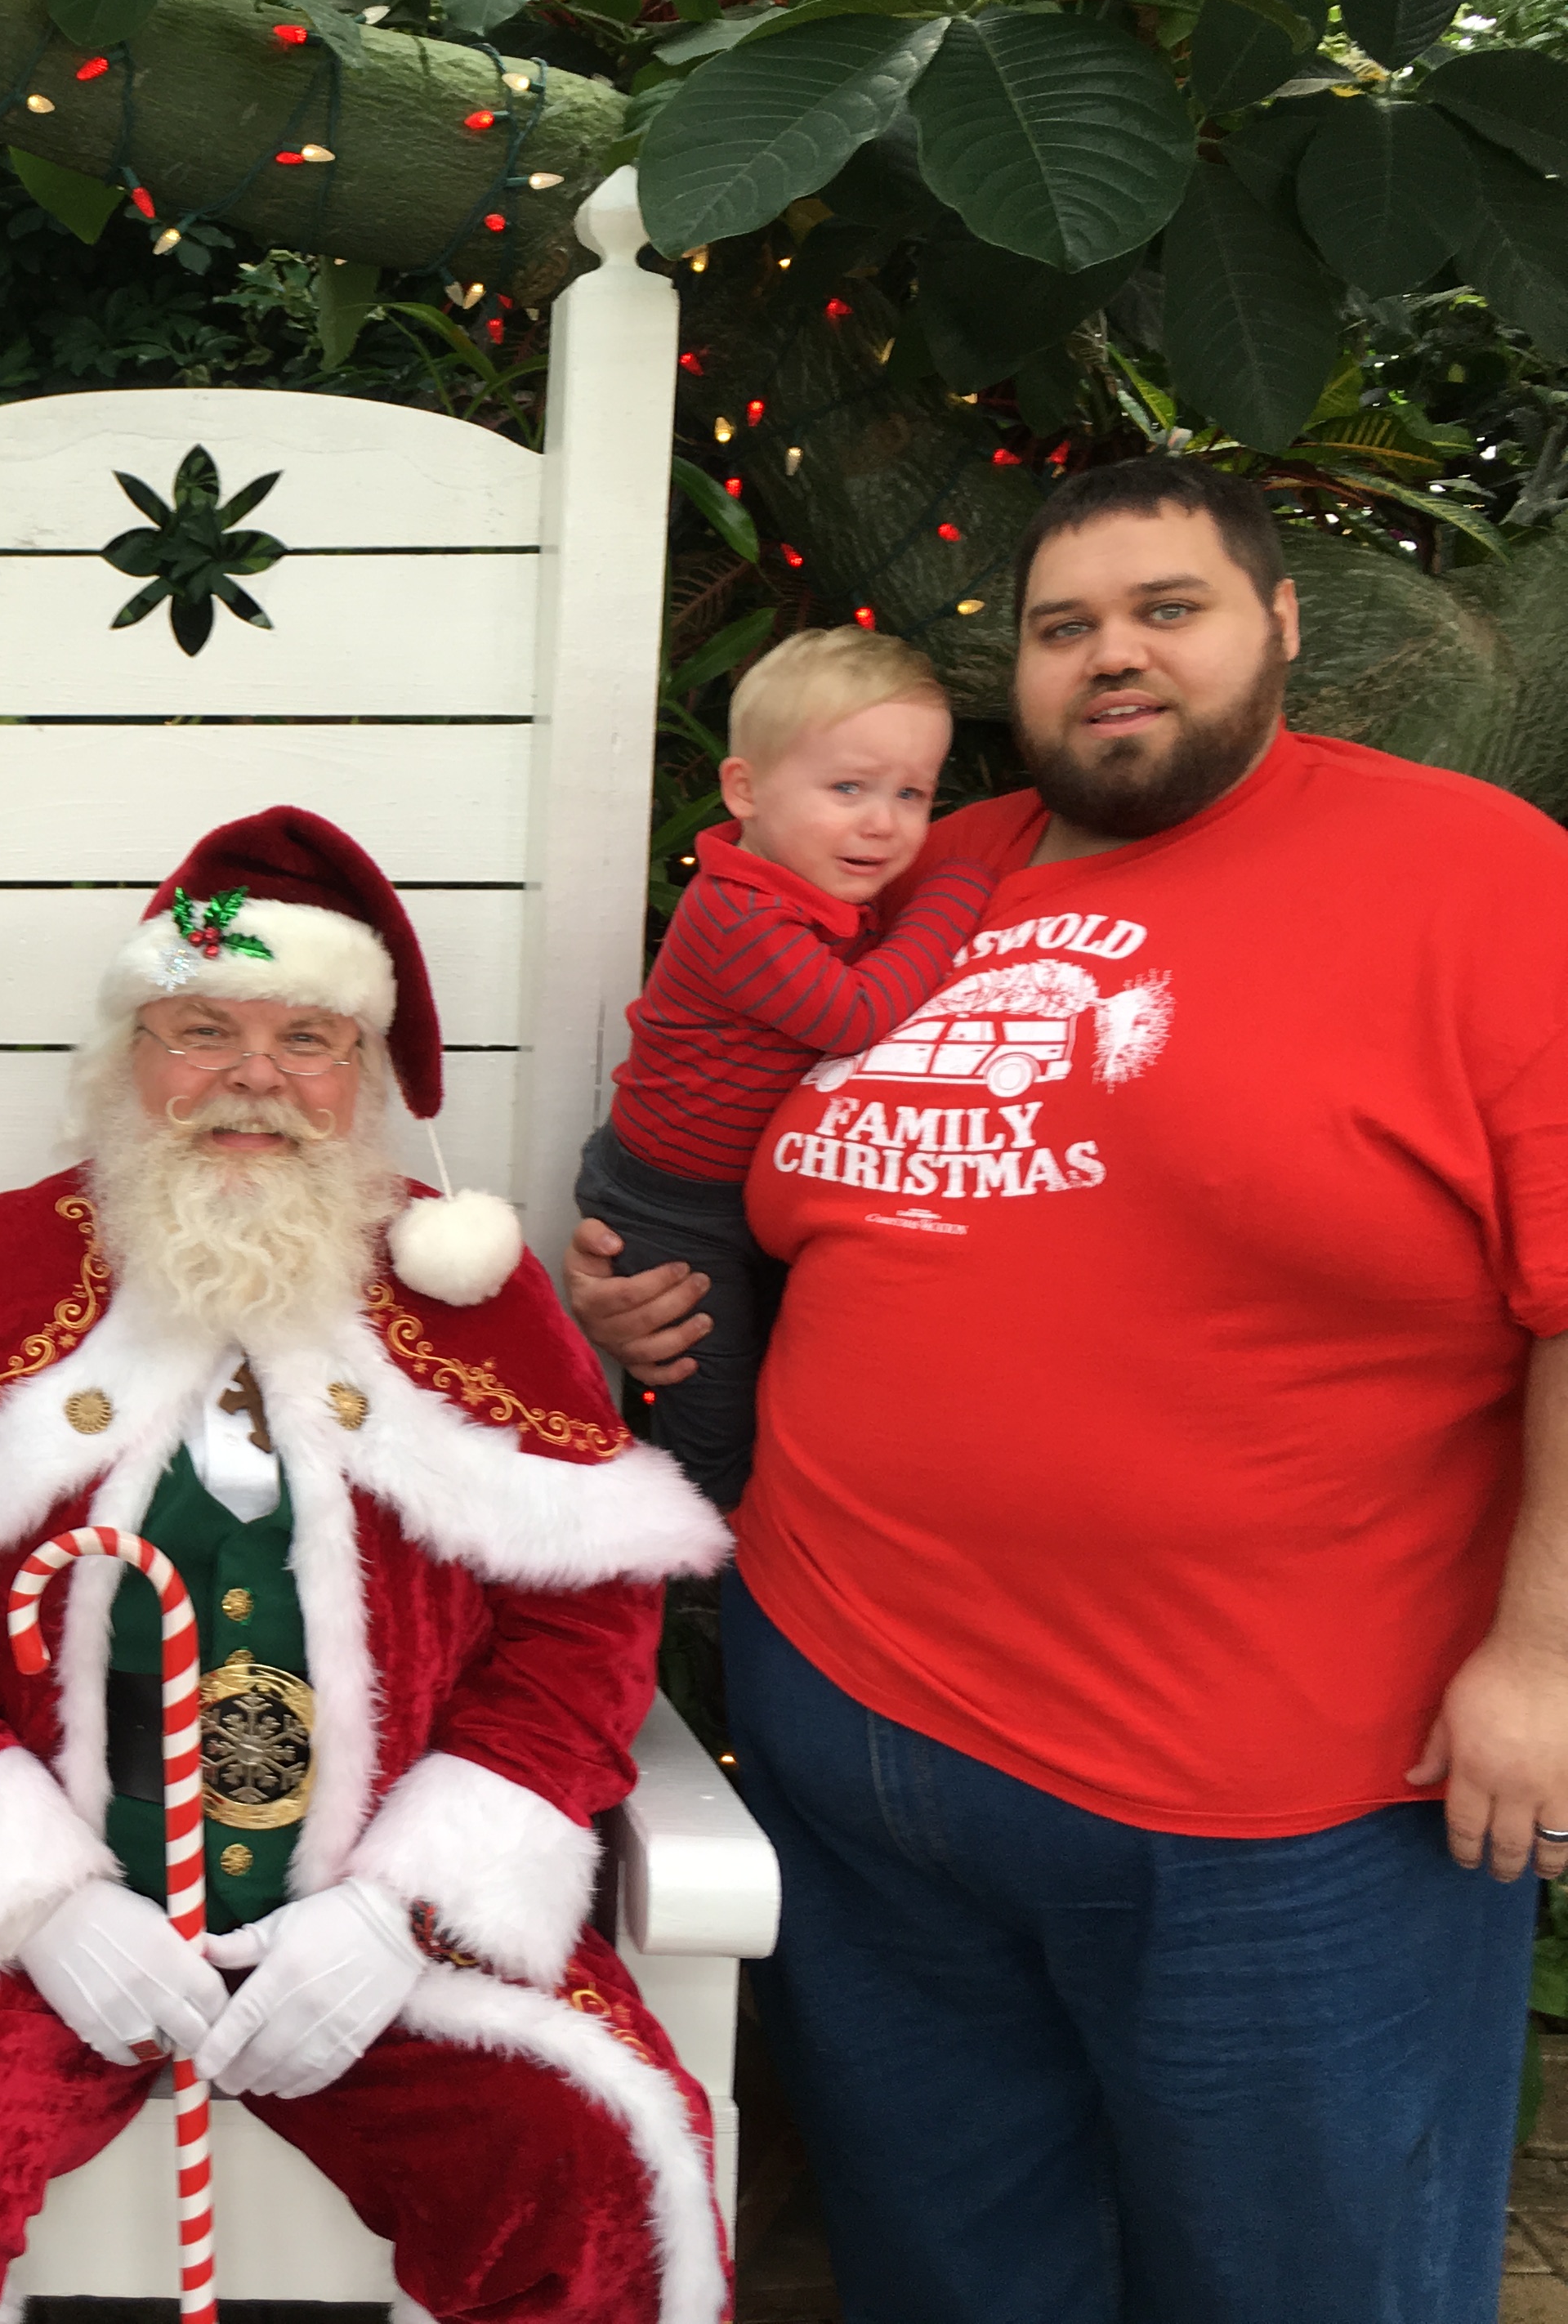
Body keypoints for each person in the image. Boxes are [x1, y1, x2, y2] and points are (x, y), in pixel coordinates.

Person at [569, 457, 1568, 2322]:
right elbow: (770, 1151)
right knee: (957, 2274)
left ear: (1279, 627)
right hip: (858, 1736)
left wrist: (1552, 1652)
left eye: (1165, 610)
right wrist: (652, 1301)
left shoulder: (1474, 874)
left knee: (1301, 2285)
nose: (1114, 658)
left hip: (1276, 1794)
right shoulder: (922, 863)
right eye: (1063, 627)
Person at [0, 809, 735, 2324]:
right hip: (37, 1933)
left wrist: (396, 1910)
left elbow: (583, 1637)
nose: (252, 1074)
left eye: (306, 1035)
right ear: (128, 1053)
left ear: (360, 1076)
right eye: (201, 1026)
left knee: (598, 2176)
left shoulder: (480, 1309)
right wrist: (36, 1897)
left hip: (375, 1930)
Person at [574, 625, 1010, 1506]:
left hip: (737, 1194)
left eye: (913, 793)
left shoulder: (820, 889)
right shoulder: (737, 910)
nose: (883, 823)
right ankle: (702, 1567)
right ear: (746, 789)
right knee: (714, 1408)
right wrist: (951, 894)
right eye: (847, 787)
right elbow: (854, 1016)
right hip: (672, 1205)